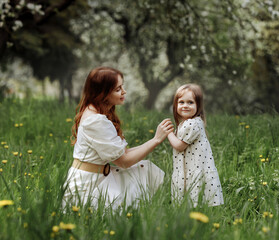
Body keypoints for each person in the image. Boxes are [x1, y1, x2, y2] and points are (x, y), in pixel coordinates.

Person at [62, 66, 173, 210]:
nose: (124, 92)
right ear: (103, 93)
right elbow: (124, 162)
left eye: (122, 87)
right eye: (117, 89)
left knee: (144, 169)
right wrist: (156, 140)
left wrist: (154, 139)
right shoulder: (96, 120)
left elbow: (123, 154)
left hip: (99, 177)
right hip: (88, 185)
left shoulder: (96, 113)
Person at [167, 84, 224, 207]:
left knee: (196, 202)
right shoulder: (186, 124)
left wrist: (168, 133)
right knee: (190, 204)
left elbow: (179, 146)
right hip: (188, 169)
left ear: (198, 106)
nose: (185, 105)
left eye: (190, 102)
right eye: (181, 102)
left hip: (194, 170)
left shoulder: (192, 124)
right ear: (175, 105)